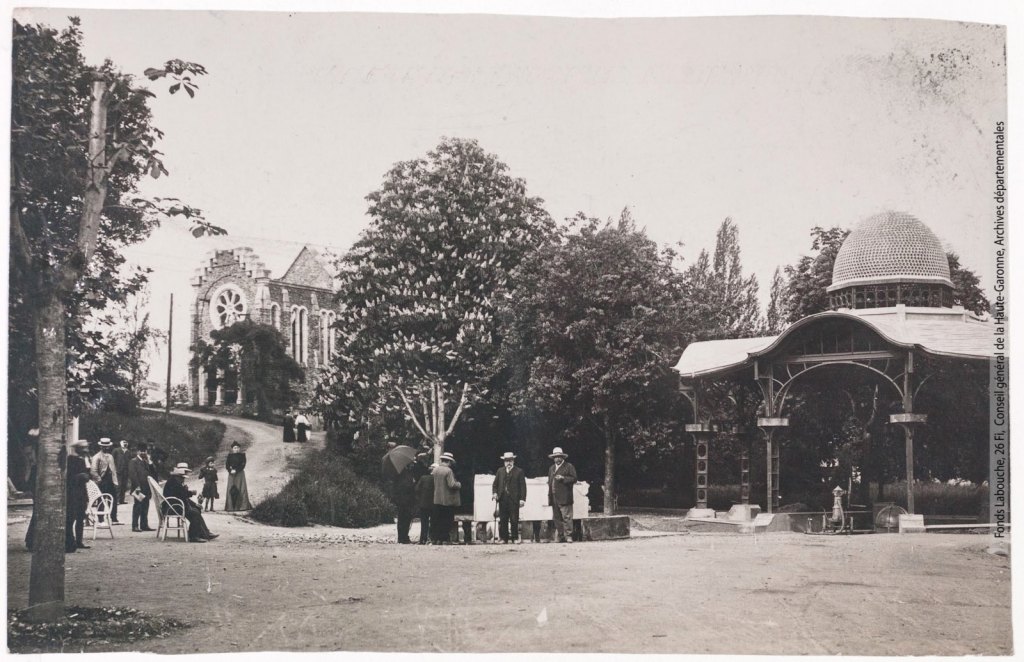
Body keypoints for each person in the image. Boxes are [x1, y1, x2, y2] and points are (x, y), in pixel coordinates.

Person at [162, 463, 218, 542]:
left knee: (196, 509)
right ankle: (194, 536)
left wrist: (195, 504)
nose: (184, 478)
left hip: (174, 505)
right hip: (173, 507)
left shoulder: (174, 481)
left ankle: (203, 533)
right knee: (195, 513)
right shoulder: (175, 482)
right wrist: (190, 492)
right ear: (178, 475)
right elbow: (183, 495)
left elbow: (183, 496)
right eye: (182, 476)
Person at [492, 451, 527, 544]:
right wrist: (495, 493)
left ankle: (515, 538)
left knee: (514, 519)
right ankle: (504, 538)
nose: (508, 462)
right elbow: (495, 484)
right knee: (503, 519)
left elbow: (523, 486)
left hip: (514, 499)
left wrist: (522, 499)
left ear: (513, 461)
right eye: (506, 461)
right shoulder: (500, 471)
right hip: (502, 499)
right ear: (504, 462)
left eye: (510, 460)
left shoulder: (519, 471)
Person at [66, 439, 93, 551]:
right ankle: (70, 541)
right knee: (71, 518)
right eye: (83, 449)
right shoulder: (71, 460)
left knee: (81, 518)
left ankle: (79, 541)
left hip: (82, 492)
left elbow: (89, 476)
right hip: (73, 493)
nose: (86, 450)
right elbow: (69, 477)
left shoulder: (85, 460)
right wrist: (81, 476)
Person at [547, 447, 578, 543]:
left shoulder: (569, 466)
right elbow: (550, 481)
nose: (557, 459)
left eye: (559, 457)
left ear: (562, 457)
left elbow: (574, 478)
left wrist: (563, 478)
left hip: (565, 496)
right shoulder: (551, 468)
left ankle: (568, 536)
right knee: (557, 517)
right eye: (555, 457)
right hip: (554, 496)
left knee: (567, 517)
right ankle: (560, 536)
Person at [431, 452, 461, 544]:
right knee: (447, 520)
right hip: (447, 500)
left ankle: (436, 539)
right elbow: (451, 484)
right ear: (449, 462)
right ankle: (444, 539)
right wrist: (459, 484)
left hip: (437, 499)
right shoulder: (448, 471)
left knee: (438, 520)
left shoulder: (435, 470)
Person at [92, 438, 122, 524]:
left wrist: (115, 481)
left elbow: (113, 470)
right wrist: (99, 480)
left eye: (107, 446)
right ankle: (101, 519)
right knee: (101, 500)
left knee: (113, 499)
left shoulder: (110, 456)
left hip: (110, 480)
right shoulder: (97, 457)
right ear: (101, 446)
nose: (106, 448)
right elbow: (93, 471)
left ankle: (114, 518)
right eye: (104, 446)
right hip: (102, 480)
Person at [127, 443, 156, 532]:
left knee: (146, 506)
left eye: (145, 451)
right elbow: (133, 475)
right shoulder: (133, 461)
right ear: (138, 451)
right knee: (138, 506)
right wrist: (137, 486)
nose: (144, 453)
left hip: (147, 487)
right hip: (138, 488)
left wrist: (150, 463)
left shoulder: (146, 461)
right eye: (142, 451)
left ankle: (144, 525)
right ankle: (135, 525)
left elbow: (154, 473)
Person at [392, 459, 421, 544]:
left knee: (403, 518)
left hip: (402, 500)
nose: (412, 465)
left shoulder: (403, 472)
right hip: (405, 500)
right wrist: (413, 484)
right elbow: (405, 486)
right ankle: (403, 537)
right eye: (411, 463)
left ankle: (403, 537)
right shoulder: (403, 473)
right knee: (404, 518)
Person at [224, 442, 252, 511]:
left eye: (237, 448)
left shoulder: (242, 455)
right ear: (232, 449)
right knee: (231, 488)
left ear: (239, 449)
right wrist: (230, 471)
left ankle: (242, 506)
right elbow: (227, 465)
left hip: (239, 474)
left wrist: (236, 470)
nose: (236, 449)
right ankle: (230, 507)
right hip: (231, 474)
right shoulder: (230, 456)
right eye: (234, 448)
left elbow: (243, 465)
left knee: (241, 488)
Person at [415, 457, 435, 544]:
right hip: (434, 504)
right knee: (434, 522)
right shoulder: (436, 479)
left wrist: (419, 498)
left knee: (424, 523)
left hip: (423, 503)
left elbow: (416, 489)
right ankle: (432, 538)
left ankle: (422, 539)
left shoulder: (423, 478)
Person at [114, 439, 131, 505]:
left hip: (125, 471)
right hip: (118, 471)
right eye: (124, 442)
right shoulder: (116, 450)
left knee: (124, 486)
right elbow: (112, 459)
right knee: (118, 486)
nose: (125, 444)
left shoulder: (128, 452)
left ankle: (122, 500)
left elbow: (129, 461)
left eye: (126, 442)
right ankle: (117, 500)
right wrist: (114, 469)